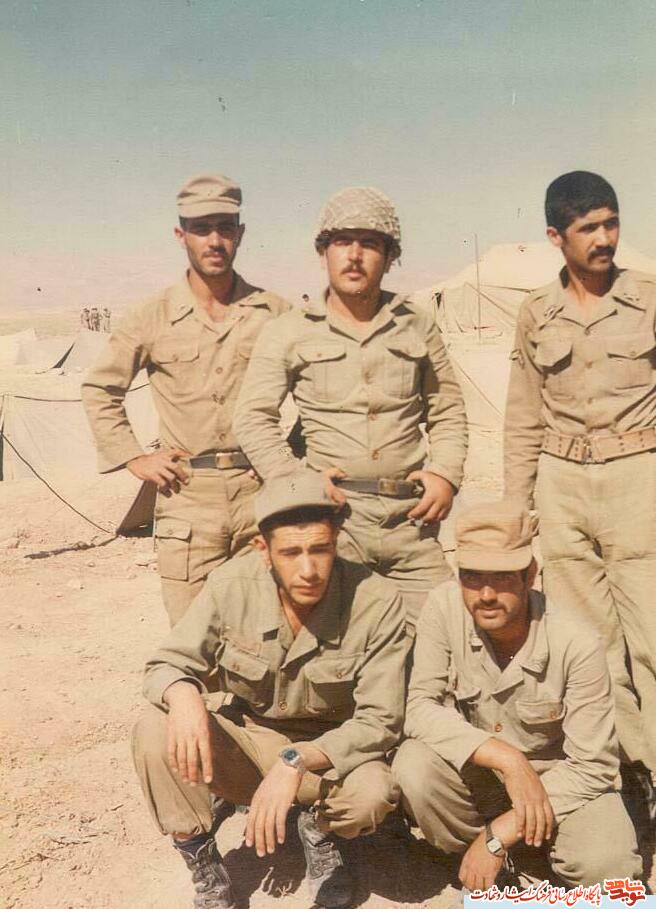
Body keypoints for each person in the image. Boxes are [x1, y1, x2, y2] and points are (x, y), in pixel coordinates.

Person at [132, 470, 406, 909]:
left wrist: (295, 762)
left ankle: (320, 829)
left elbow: (381, 719)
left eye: (320, 550)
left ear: (336, 541)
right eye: (291, 553)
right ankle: (201, 857)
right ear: (263, 549)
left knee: (371, 796)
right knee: (154, 726)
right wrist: (184, 695)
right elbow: (166, 663)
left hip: (330, 750)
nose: (308, 570)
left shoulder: (376, 600)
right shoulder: (230, 585)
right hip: (251, 736)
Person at [234, 186, 467, 633]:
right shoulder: (289, 331)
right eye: (342, 242)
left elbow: (447, 408)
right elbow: (253, 416)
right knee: (331, 642)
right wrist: (296, 480)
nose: (355, 255)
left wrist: (446, 473)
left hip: (411, 522)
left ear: (390, 256)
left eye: (370, 243)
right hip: (334, 520)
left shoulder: (417, 323)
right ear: (323, 252)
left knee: (446, 635)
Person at [393, 500, 642, 892]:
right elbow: (419, 706)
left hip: (562, 784)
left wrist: (500, 832)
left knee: (610, 868)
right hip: (483, 772)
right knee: (414, 766)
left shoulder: (576, 641)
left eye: (502, 577)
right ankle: (483, 863)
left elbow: (593, 766)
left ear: (530, 575)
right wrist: (507, 760)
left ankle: (505, 848)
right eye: (471, 576)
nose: (486, 594)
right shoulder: (443, 606)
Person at [503, 171, 656, 789]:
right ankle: (635, 779)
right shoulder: (537, 313)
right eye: (588, 228)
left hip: (638, 481)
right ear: (555, 237)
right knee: (594, 648)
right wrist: (517, 510)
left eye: (611, 223)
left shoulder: (648, 299)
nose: (604, 238)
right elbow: (522, 416)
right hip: (562, 488)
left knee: (652, 639)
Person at [82, 174, 290, 625]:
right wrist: (134, 457)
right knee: (194, 634)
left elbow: (320, 392)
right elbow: (100, 388)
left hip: (261, 495)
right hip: (187, 496)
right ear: (181, 235)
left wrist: (287, 459)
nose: (214, 241)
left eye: (225, 227)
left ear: (241, 233)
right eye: (201, 228)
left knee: (264, 628)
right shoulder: (151, 315)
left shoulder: (276, 314)